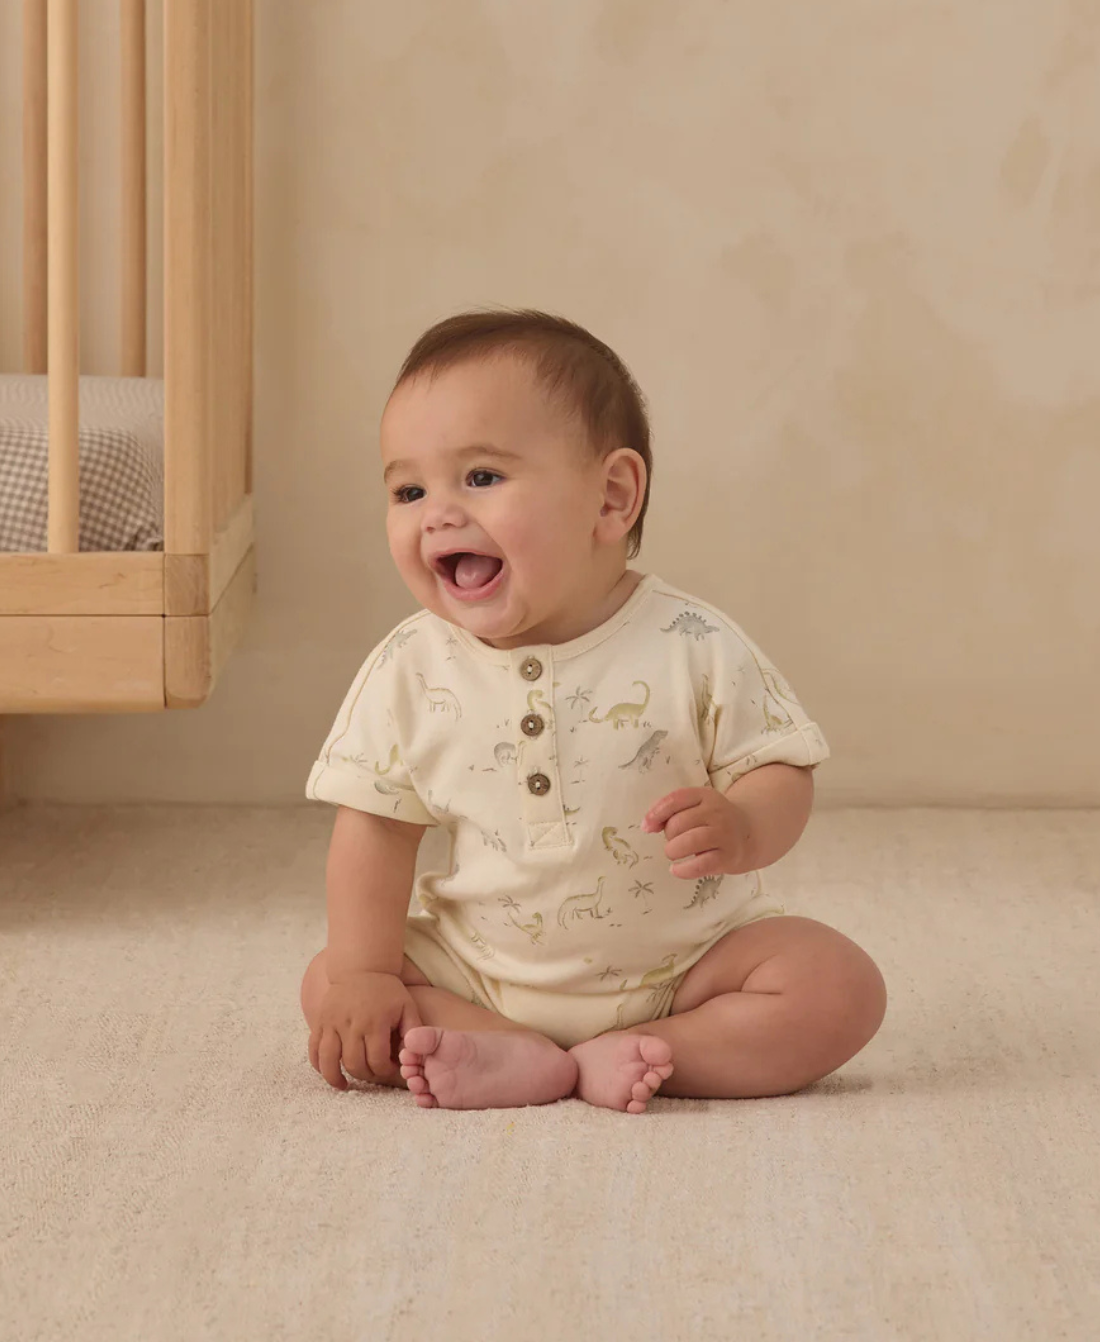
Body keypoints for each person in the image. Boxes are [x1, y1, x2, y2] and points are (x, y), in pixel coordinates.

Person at [300, 308, 887, 1113]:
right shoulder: (411, 666)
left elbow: (777, 766)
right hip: (477, 972)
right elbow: (375, 831)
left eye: (480, 478)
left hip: (687, 968)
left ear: (611, 497)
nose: (436, 513)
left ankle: (656, 1048)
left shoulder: (691, 642)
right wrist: (365, 973)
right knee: (332, 982)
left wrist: (745, 825)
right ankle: (505, 1048)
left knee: (838, 986)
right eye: (409, 490)